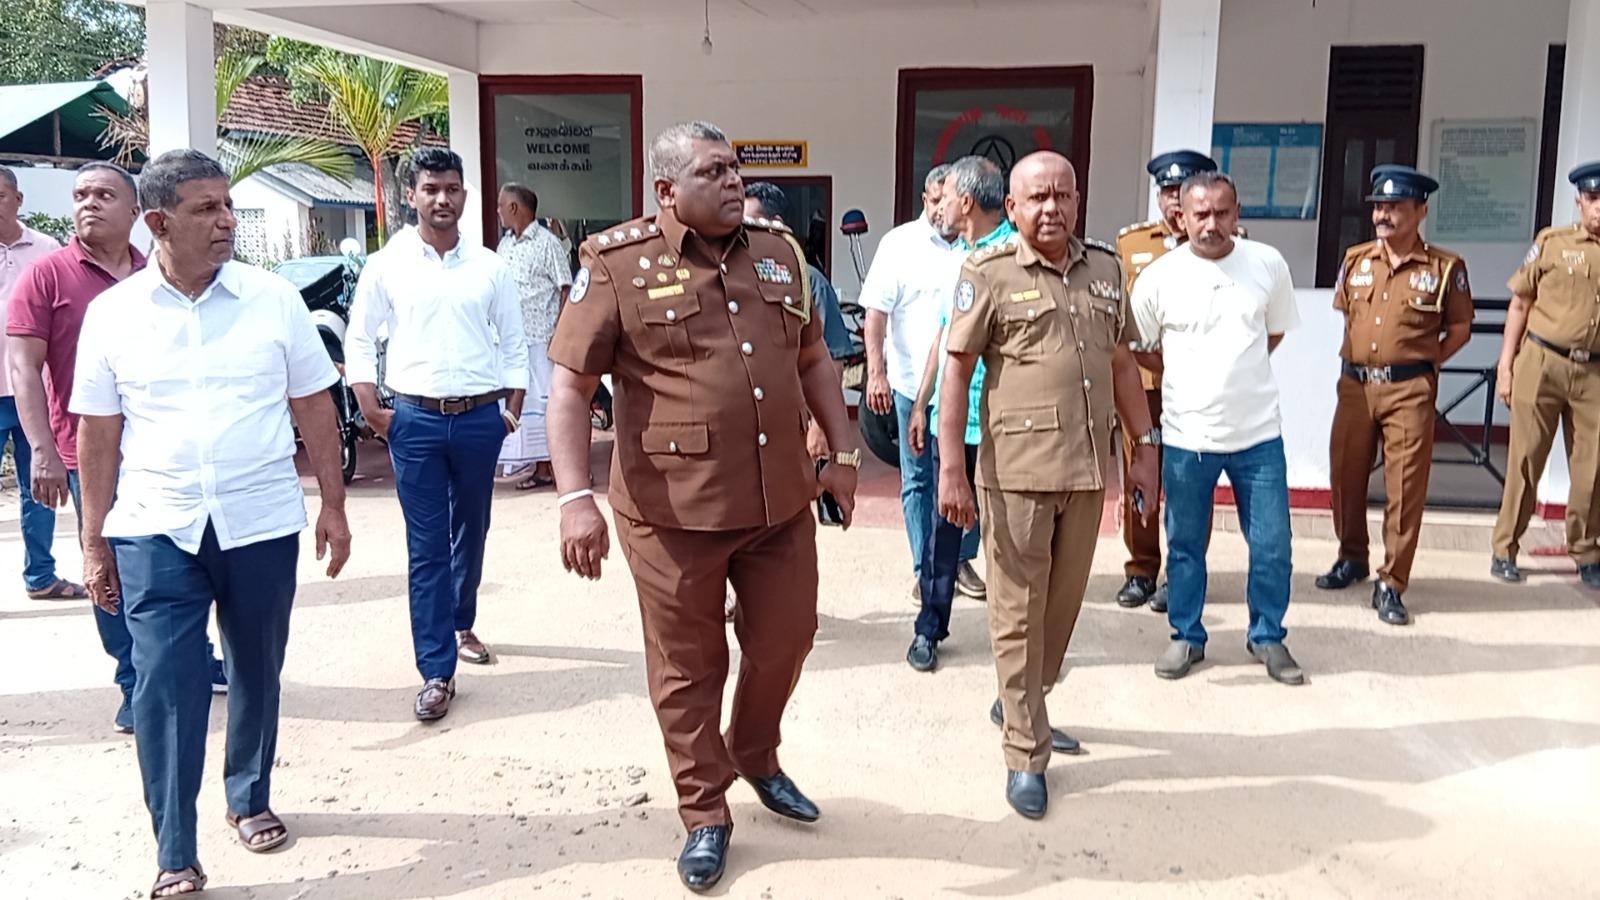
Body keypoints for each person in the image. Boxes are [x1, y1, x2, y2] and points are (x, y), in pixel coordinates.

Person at [546, 121, 858, 891]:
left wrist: (842, 454)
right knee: (689, 668)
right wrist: (575, 499)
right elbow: (570, 387)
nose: (733, 181)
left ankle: (752, 749)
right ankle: (705, 811)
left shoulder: (779, 254)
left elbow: (813, 358)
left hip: (778, 500)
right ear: (667, 190)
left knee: (788, 638)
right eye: (713, 172)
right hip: (670, 511)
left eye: (735, 169)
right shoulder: (615, 263)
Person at [70, 149, 351, 899]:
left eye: (228, 205)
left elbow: (313, 404)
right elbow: (98, 432)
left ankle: (249, 795)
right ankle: (175, 850)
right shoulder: (114, 315)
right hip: (155, 524)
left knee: (256, 667)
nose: (227, 220)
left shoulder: (273, 301)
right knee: (166, 684)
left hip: (258, 520)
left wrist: (333, 503)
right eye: (207, 209)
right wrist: (94, 541)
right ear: (158, 223)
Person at [939, 151, 1159, 820]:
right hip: (1016, 476)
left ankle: (1022, 700)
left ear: (1077, 200)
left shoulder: (1106, 271)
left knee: (1059, 613)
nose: (1052, 208)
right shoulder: (989, 272)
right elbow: (957, 371)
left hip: (1087, 471)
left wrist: (1144, 448)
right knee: (1016, 613)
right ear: (1012, 207)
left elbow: (1122, 364)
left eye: (1063, 195)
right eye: (1037, 198)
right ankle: (1025, 751)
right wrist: (951, 467)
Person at [348, 148, 529, 717]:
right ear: (412, 196)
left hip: (479, 419)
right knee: (425, 546)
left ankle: (461, 621)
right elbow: (360, 338)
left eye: (451, 189)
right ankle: (435, 670)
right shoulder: (387, 265)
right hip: (415, 421)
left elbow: (515, 342)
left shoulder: (490, 267)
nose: (442, 199)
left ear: (465, 196)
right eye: (430, 189)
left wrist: (510, 412)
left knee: (472, 529)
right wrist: (370, 406)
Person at [1129, 170, 1304, 687]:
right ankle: (1186, 635)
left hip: (1258, 436)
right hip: (1188, 437)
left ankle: (1267, 635)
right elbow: (1139, 347)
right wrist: (1189, 370)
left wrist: (1232, 367)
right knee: (1185, 546)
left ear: (1237, 212)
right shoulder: (1159, 277)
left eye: (1222, 213)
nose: (1212, 224)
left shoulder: (1267, 264)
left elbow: (1272, 333)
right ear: (1180, 217)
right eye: (1200, 214)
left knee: (1273, 545)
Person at [1316, 166, 1473, 624]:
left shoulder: (1445, 268)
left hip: (1409, 390)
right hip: (1355, 386)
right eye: (1379, 207)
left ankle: (1392, 581)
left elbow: (1459, 329)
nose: (1382, 215)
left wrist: (1424, 362)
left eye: (1394, 207)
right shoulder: (1355, 260)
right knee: (1345, 475)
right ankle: (1352, 556)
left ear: (1421, 211)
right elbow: (1348, 316)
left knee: (1404, 486)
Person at [903, 156, 1011, 673]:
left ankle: (1019, 642)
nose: (938, 206)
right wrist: (922, 402)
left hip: (1005, 425)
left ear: (966, 202)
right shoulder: (959, 259)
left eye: (943, 196)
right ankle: (929, 627)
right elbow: (945, 338)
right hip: (955, 422)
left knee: (1011, 536)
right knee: (944, 531)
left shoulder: (1016, 255)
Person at [1113, 150, 1233, 613]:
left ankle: (1181, 574)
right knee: (1139, 472)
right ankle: (1141, 568)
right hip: (1142, 384)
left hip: (1198, 386)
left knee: (1190, 482)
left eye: (1181, 193)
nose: (1173, 202)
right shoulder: (1131, 243)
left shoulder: (1225, 243)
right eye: (1166, 192)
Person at [862, 163, 987, 603]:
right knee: (919, 479)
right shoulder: (898, 245)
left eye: (947, 201)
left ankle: (961, 559)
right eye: (935, 200)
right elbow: (875, 314)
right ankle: (926, 567)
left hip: (971, 388)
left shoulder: (978, 247)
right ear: (924, 198)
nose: (940, 209)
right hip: (911, 385)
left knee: (969, 475)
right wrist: (876, 373)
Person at [1490, 162, 1600, 589]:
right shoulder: (1552, 243)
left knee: (1592, 466)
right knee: (1525, 459)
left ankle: (1586, 550)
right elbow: (1520, 304)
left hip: (1594, 371)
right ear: (1579, 202)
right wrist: (1506, 366)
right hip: (1542, 362)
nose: (1599, 207)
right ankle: (1505, 547)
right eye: (1592, 199)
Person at [0, 166, 75, 601]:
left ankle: (41, 576)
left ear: (18, 199)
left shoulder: (47, 252)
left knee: (41, 487)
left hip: (36, 393)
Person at [495, 182, 572, 490]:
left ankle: (555, 468)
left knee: (545, 404)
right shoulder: (505, 245)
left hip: (542, 338)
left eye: (501, 206)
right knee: (520, 403)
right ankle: (536, 465)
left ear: (514, 208)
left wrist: (560, 332)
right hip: (512, 339)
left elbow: (566, 288)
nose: (498, 211)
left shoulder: (547, 243)